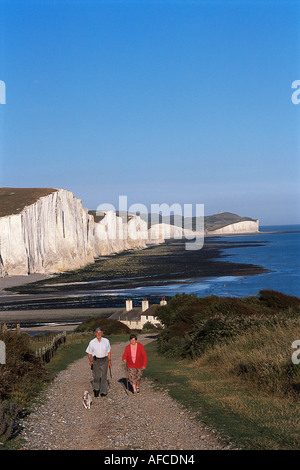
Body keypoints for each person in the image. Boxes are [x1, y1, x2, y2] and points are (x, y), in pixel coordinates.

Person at [86, 327, 111, 397]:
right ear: (95, 333)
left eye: (100, 332)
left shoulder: (106, 341)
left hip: (105, 359)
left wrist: (109, 361)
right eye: (97, 333)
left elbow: (108, 351)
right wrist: (90, 361)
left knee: (104, 376)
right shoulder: (92, 342)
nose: (98, 334)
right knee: (96, 376)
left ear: (102, 333)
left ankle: (103, 391)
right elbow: (89, 353)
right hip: (96, 360)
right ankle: (96, 389)